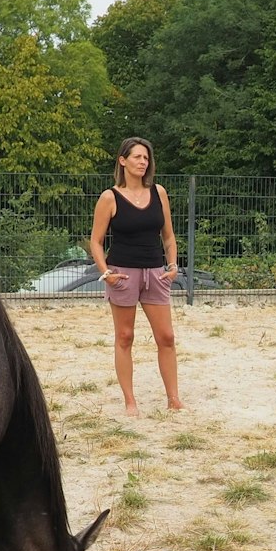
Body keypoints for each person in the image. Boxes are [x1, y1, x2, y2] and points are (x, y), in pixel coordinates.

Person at [87, 137, 183, 416]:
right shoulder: (109, 197)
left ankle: (173, 398)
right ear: (123, 161)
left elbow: (168, 236)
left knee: (166, 336)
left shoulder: (159, 193)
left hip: (156, 273)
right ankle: (130, 401)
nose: (143, 162)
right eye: (138, 157)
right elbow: (96, 241)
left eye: (146, 158)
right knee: (125, 337)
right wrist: (105, 272)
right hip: (123, 274)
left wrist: (173, 264)